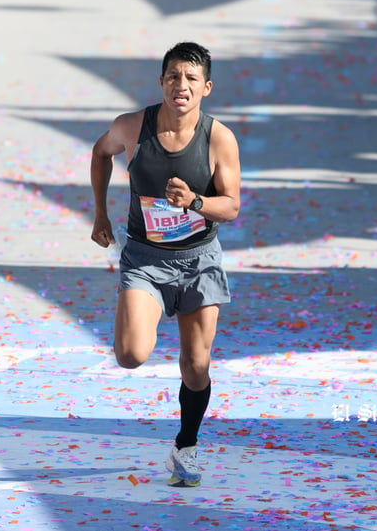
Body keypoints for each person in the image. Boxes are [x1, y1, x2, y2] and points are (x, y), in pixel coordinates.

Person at [90, 41, 241, 487]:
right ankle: (143, 311)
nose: (182, 85)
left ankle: (186, 447)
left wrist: (194, 202)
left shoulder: (218, 139)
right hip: (145, 258)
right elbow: (101, 153)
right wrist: (100, 213)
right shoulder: (132, 127)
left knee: (196, 366)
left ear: (206, 88)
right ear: (161, 82)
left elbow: (231, 207)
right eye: (174, 76)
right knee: (131, 354)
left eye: (192, 78)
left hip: (199, 261)